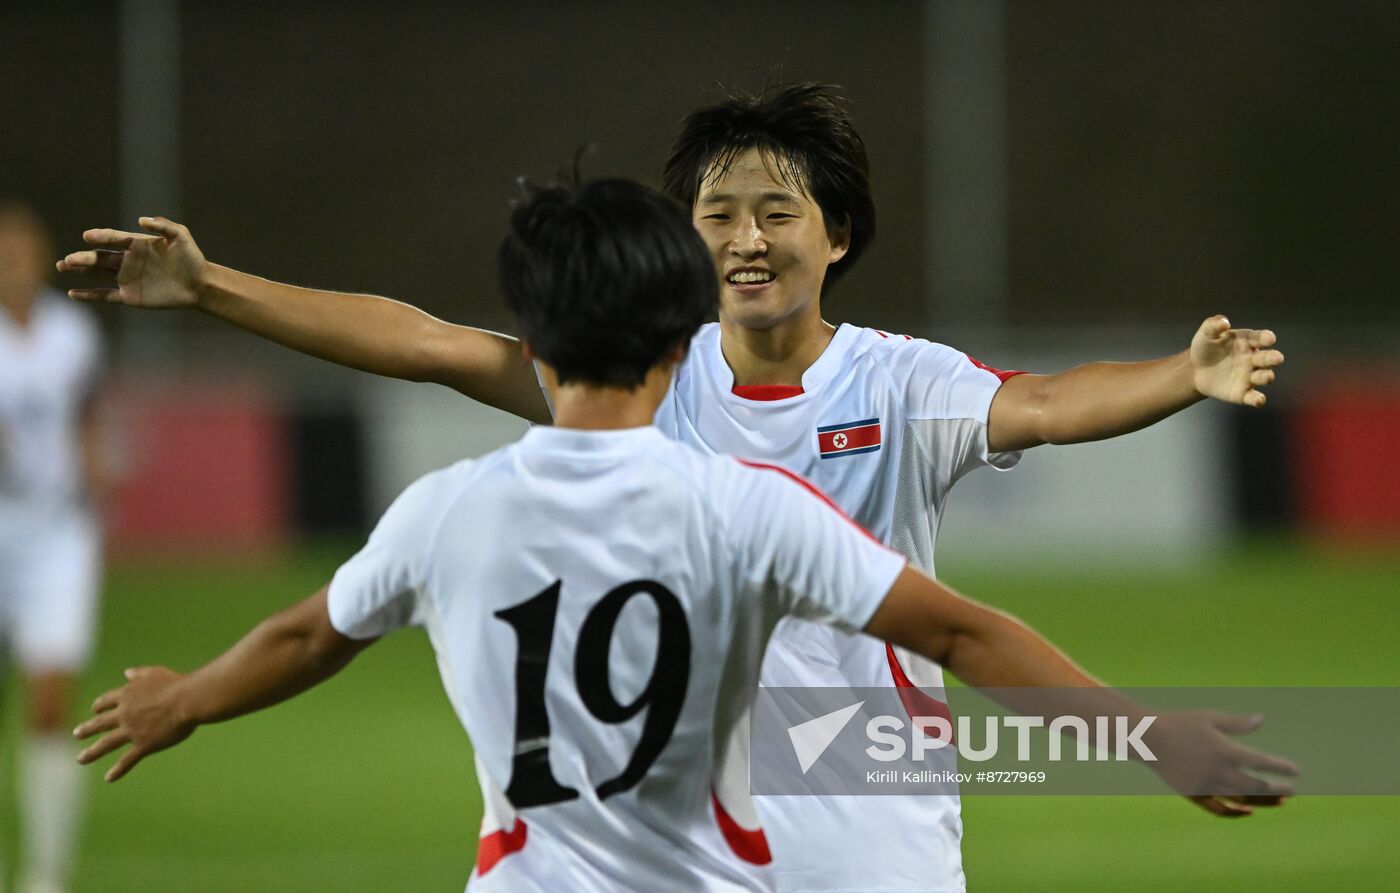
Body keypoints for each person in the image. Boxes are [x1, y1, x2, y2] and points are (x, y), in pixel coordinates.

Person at [58, 84, 1286, 892]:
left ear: (836, 233)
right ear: (684, 243)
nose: (744, 236)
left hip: (867, 782)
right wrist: (218, 289)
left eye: (774, 211)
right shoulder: (654, 365)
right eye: (717, 212)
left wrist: (1182, 373)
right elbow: (420, 338)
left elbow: (1050, 405)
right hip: (687, 789)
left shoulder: (897, 380)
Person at [0, 200, 107, 893]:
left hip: (61, 528)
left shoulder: (74, 332)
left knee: (48, 696)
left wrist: (97, 475)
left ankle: (45, 871)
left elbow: (90, 416)